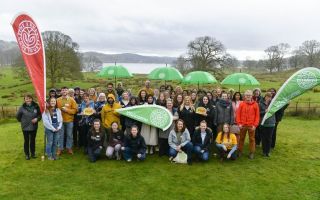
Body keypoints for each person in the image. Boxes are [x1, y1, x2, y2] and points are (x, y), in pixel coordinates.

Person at [16, 93, 42, 160]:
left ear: (32, 99)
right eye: (26, 99)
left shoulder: (36, 106)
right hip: (25, 127)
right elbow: (18, 116)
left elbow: (40, 115)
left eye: (29, 98)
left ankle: (33, 153)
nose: (28, 100)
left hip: (34, 126)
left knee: (32, 140)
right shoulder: (22, 107)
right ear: (24, 100)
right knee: (26, 141)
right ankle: (27, 154)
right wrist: (23, 122)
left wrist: (37, 119)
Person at [236, 90, 260, 159]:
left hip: (251, 125)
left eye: (249, 95)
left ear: (252, 96)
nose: (248, 96)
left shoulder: (255, 104)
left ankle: (251, 152)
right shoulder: (242, 104)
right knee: (241, 139)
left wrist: (255, 125)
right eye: (247, 95)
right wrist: (239, 123)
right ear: (244, 96)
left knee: (252, 139)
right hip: (242, 125)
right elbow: (238, 114)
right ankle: (240, 151)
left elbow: (257, 116)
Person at [56, 87, 78, 155]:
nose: (64, 91)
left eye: (65, 90)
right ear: (61, 92)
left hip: (69, 120)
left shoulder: (72, 100)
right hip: (60, 121)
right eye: (63, 90)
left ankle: (69, 148)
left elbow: (75, 110)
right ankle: (60, 149)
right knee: (60, 135)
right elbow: (54, 109)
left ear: (68, 91)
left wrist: (67, 110)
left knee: (69, 135)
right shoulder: (57, 100)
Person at [259, 92, 276, 157]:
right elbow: (258, 113)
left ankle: (268, 152)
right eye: (267, 96)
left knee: (269, 138)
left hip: (271, 123)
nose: (268, 98)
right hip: (263, 124)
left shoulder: (273, 104)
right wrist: (264, 111)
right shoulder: (260, 104)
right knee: (264, 138)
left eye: (270, 97)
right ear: (265, 96)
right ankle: (264, 151)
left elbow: (276, 111)